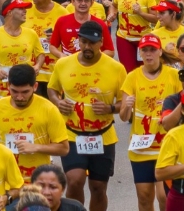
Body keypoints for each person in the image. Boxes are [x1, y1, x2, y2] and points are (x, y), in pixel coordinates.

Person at [47, 21, 128, 211]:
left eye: (92, 42)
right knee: (74, 180)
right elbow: (52, 89)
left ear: (101, 42)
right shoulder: (63, 64)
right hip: (72, 134)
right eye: (83, 42)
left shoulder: (116, 69)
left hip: (103, 135)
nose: (87, 47)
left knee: (98, 187)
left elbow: (124, 103)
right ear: (78, 42)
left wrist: (109, 108)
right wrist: (59, 103)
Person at [119, 34, 183, 211]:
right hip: (141, 147)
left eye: (152, 50)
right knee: (144, 196)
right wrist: (127, 108)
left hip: (167, 146)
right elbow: (123, 117)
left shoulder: (174, 75)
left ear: (160, 52)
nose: (148, 54)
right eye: (144, 50)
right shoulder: (132, 77)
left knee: (164, 196)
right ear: (140, 53)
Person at [0, 64, 70, 181]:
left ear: (35, 86)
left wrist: (35, 147)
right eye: (14, 91)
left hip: (38, 181)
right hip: (7, 180)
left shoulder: (49, 109)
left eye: (25, 92)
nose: (19, 97)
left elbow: (64, 148)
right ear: (8, 86)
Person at [0, 0, 45, 93]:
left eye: (25, 9)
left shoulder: (31, 34)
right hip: (2, 91)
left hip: (25, 90)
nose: (25, 11)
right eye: (20, 8)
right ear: (9, 12)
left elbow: (41, 54)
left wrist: (37, 66)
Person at [114, 0, 159, 71]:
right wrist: (112, 13)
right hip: (123, 37)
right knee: (128, 70)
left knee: (143, 69)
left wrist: (141, 13)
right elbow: (113, 5)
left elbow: (155, 18)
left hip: (142, 38)